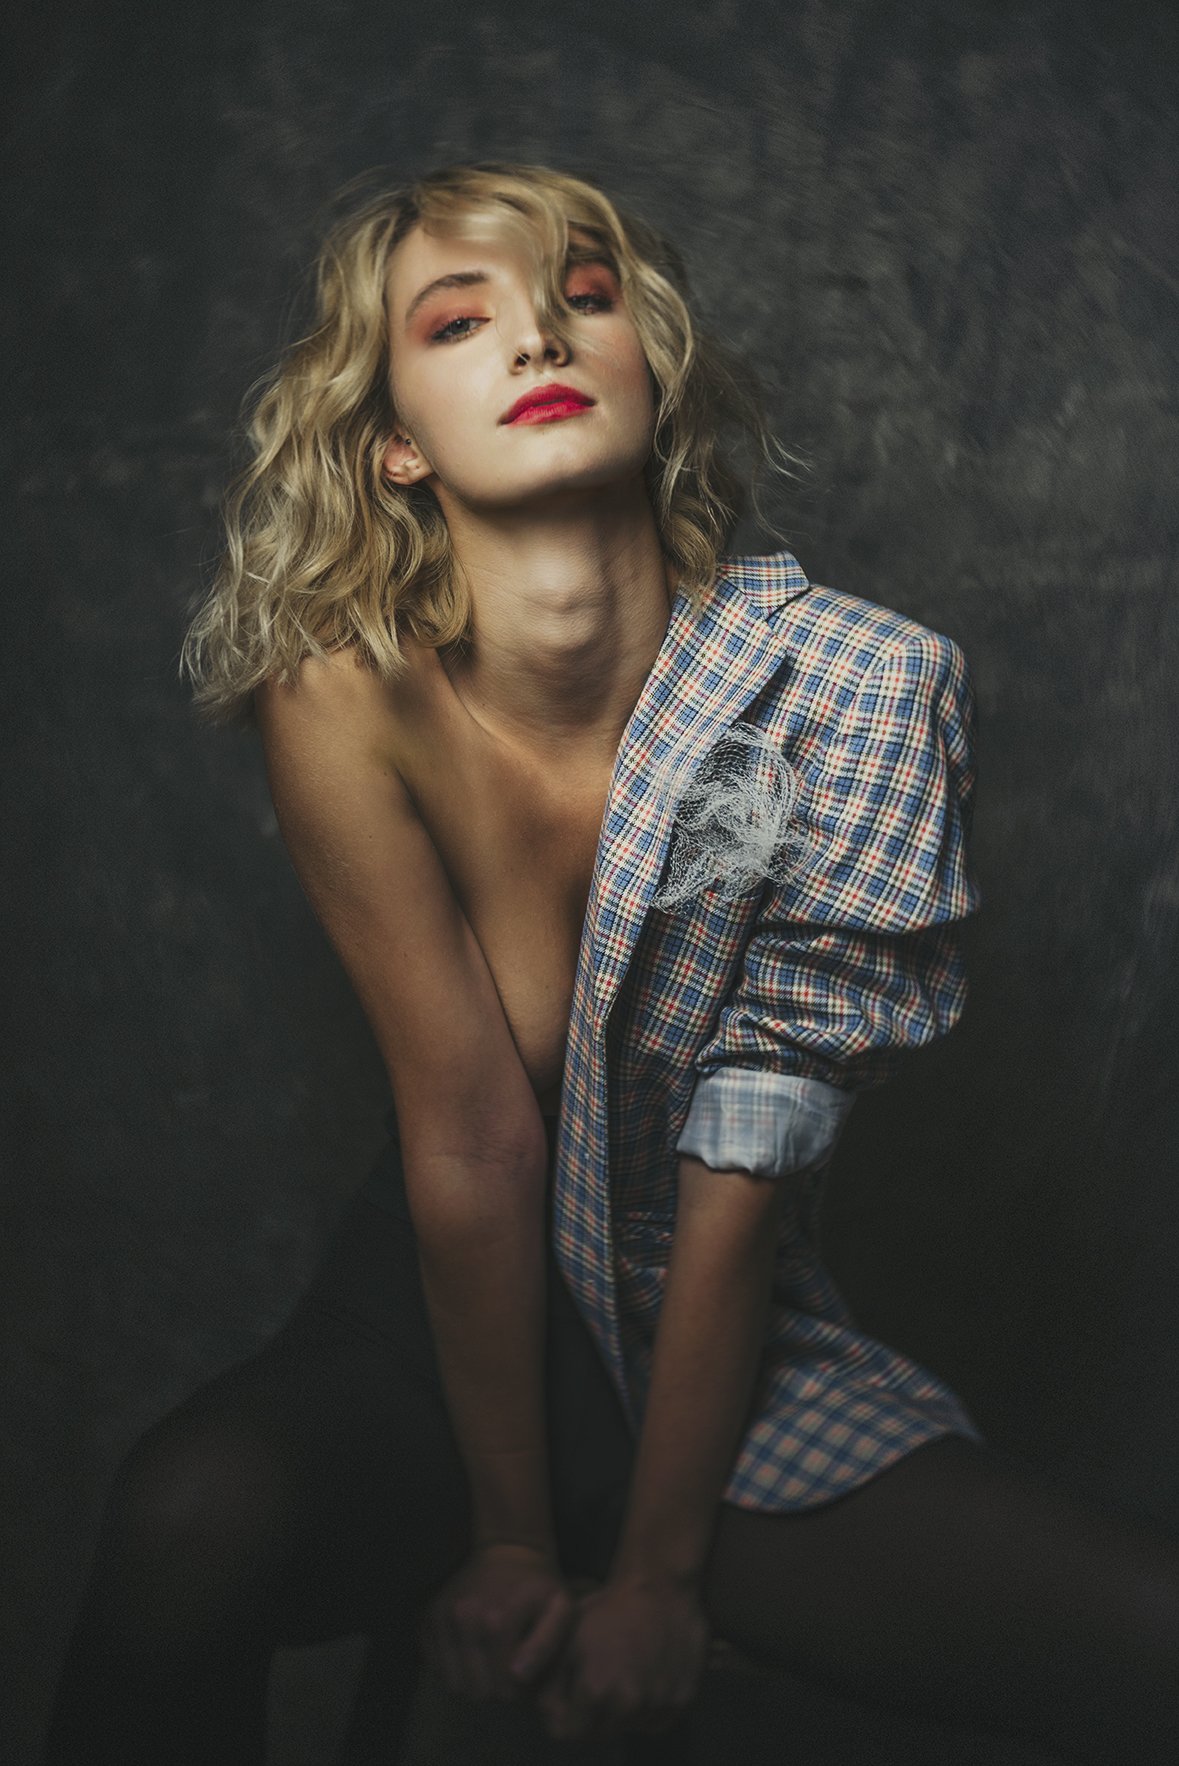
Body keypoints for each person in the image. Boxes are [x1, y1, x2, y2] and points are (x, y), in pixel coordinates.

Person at [42, 161, 1179, 1765]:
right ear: (394, 440)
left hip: (717, 1323)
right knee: (188, 1517)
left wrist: (655, 1573)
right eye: (458, 322)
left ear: (655, 366)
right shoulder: (344, 689)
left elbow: (744, 1169)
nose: (536, 338)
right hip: (431, 1323)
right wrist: (511, 1535)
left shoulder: (860, 687)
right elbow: (471, 1135)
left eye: (583, 297)